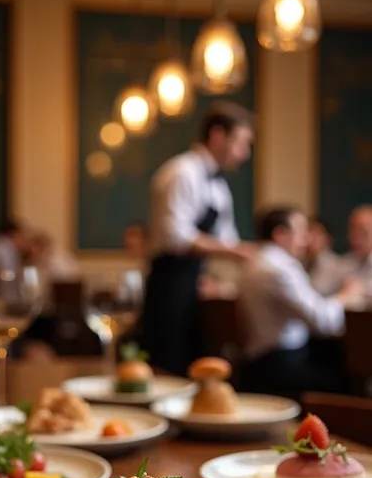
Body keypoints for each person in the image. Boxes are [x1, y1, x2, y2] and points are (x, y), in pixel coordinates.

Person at [141, 100, 255, 377]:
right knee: (169, 367)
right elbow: (176, 237)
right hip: (169, 284)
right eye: (241, 143)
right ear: (217, 135)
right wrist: (236, 251)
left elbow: (226, 237)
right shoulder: (181, 172)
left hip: (195, 284)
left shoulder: (219, 185)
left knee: (197, 365)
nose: (245, 154)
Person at [237, 205, 364, 395]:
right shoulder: (280, 269)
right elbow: (322, 321)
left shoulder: (256, 262)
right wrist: (345, 295)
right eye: (301, 231)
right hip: (278, 364)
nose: (306, 239)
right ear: (280, 235)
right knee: (350, 381)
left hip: (259, 361)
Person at [306, 219, 343, 296]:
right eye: (308, 232)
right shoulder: (302, 262)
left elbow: (316, 292)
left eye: (316, 234)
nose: (310, 238)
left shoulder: (336, 265)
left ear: (328, 239)